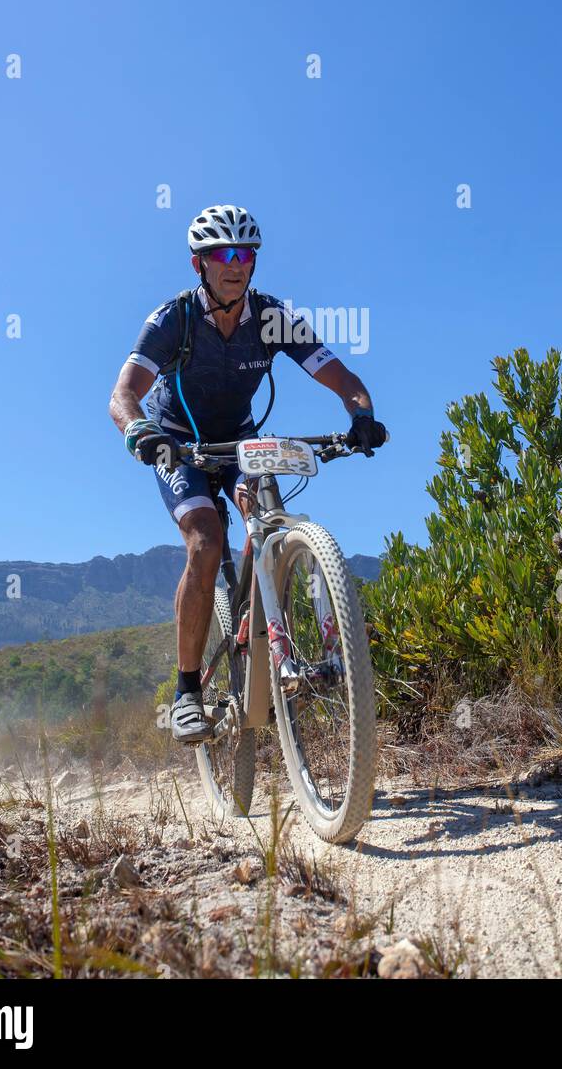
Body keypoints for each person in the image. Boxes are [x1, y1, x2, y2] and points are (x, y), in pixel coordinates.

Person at [109, 204, 387, 743]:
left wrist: (361, 416)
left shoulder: (270, 317)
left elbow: (343, 377)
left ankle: (255, 611)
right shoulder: (173, 320)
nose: (236, 264)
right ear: (200, 265)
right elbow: (123, 394)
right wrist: (138, 431)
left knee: (270, 515)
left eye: (245, 253)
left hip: (239, 441)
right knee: (205, 542)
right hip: (178, 442)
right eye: (222, 254)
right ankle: (188, 691)